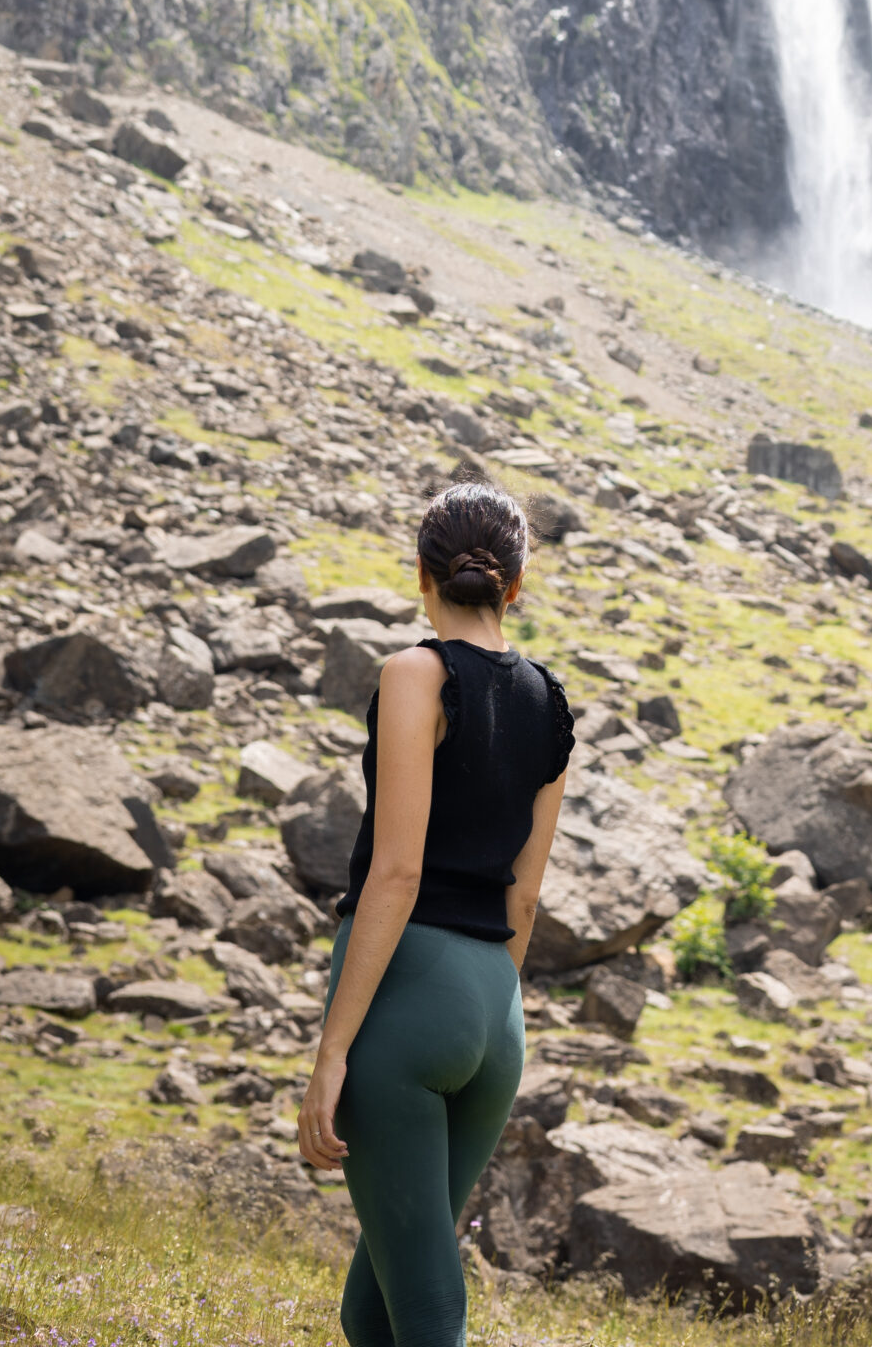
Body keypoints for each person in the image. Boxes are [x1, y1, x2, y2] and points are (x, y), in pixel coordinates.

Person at [298, 481, 573, 1347]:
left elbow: (398, 871)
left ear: (421, 574)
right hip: (495, 1016)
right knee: (372, 1310)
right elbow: (524, 894)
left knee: (423, 1315)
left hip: (410, 1005)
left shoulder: (415, 673)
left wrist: (332, 1051)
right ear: (515, 587)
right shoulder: (551, 701)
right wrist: (485, 1009)